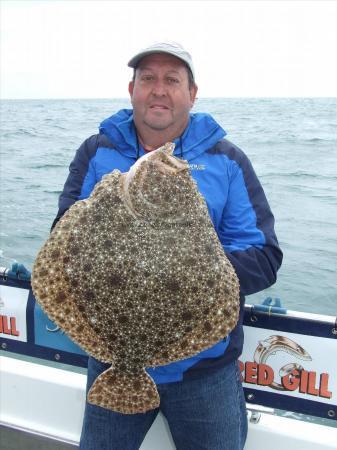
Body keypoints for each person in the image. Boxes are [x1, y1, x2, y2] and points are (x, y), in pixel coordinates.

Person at [52, 42, 283, 450]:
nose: (159, 89)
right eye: (148, 79)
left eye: (172, 80)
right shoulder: (96, 151)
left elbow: (264, 257)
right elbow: (61, 242)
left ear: (192, 94)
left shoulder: (227, 160)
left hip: (204, 371)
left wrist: (188, 267)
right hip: (111, 361)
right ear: (132, 89)